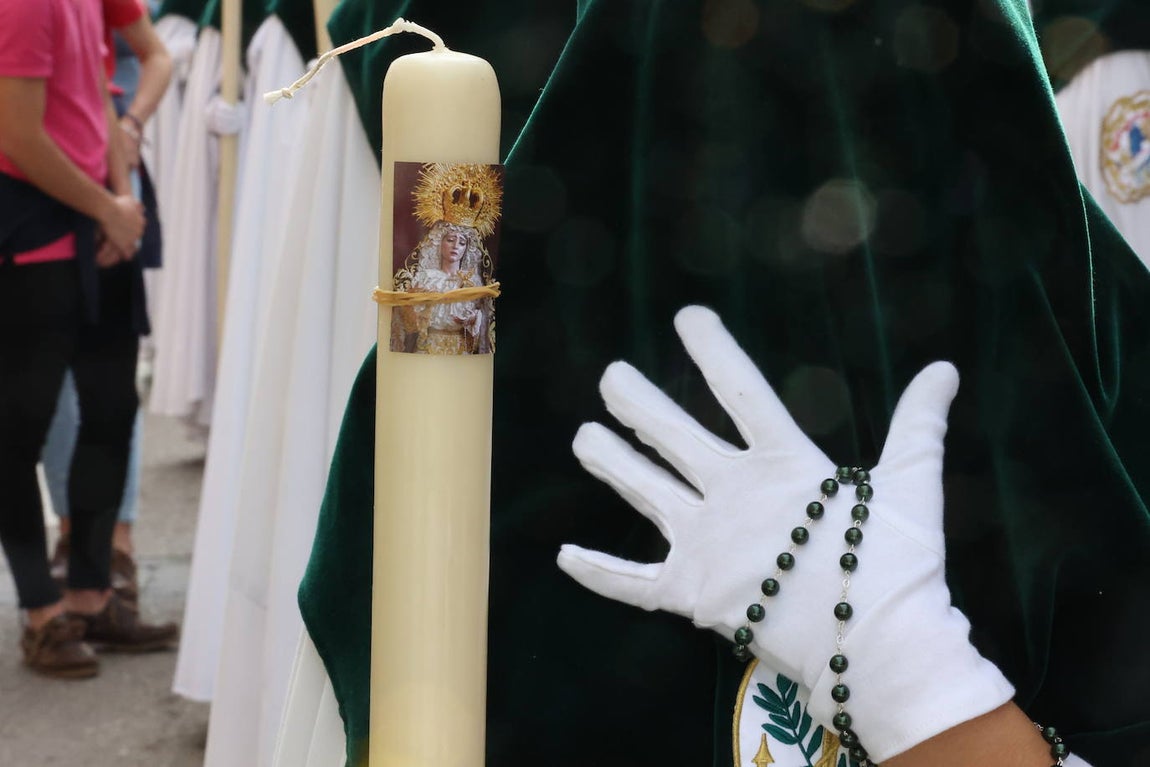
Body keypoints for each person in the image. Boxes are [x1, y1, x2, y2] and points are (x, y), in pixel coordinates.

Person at [0, 0, 176, 679]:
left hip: (96, 210)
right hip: (33, 225)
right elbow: (17, 134)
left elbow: (100, 93)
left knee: (111, 410)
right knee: (19, 429)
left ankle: (92, 593)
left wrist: (121, 203)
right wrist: (105, 207)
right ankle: (43, 614)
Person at [41, 0, 173, 606]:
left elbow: (156, 56)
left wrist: (133, 123)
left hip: (114, 177)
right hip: (38, 179)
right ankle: (73, 538)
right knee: (53, 380)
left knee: (111, 377)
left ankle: (115, 542)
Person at [394, 221, 489, 355]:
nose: (456, 246)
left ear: (467, 248)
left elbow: (485, 318)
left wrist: (474, 319)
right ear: (439, 242)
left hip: (460, 351)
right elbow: (407, 324)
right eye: (450, 240)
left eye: (462, 243)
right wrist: (416, 307)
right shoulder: (426, 278)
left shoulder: (473, 281)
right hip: (428, 348)